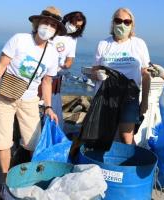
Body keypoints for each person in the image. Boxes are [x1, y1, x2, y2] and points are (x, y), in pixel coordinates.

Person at [0, 6, 66, 181]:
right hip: (4, 97)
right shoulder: (19, 39)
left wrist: (48, 106)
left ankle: (31, 177)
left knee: (34, 142)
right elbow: (0, 67)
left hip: (30, 100)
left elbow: (47, 81)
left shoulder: (53, 53)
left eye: (52, 25)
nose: (48, 27)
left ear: (55, 31)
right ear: (37, 23)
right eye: (45, 22)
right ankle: (5, 179)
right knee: (3, 141)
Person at [91, 8, 151, 144]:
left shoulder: (139, 44)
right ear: (112, 23)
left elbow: (146, 74)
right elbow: (93, 72)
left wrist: (145, 101)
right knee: (104, 136)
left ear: (132, 25)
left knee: (126, 137)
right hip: (105, 97)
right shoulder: (103, 44)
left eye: (126, 22)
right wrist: (97, 74)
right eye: (118, 20)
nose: (122, 24)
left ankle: (133, 164)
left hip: (129, 97)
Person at [51, 11, 86, 128]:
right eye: (74, 24)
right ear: (67, 20)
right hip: (41, 75)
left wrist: (65, 66)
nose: (75, 28)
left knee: (53, 106)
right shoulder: (53, 32)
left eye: (78, 27)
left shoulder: (73, 39)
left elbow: (70, 60)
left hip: (56, 77)